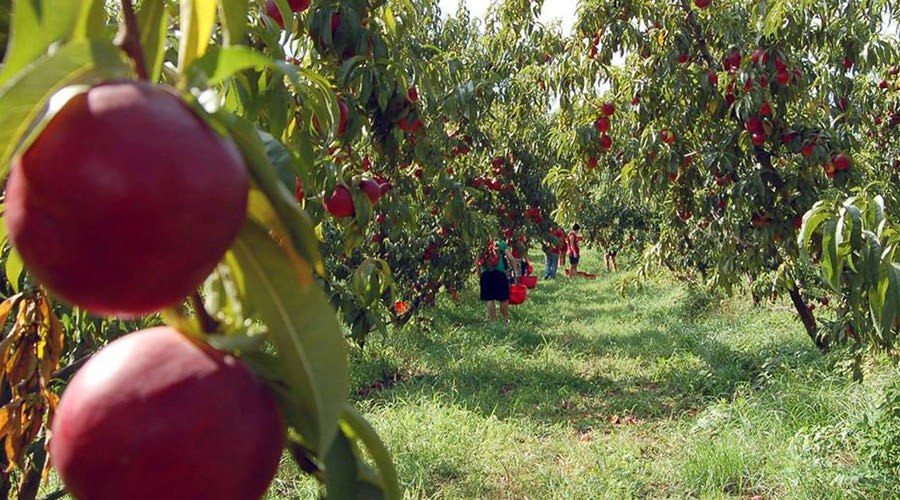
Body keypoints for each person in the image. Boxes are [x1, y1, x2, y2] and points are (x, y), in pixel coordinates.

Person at [478, 238, 514, 323]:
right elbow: (511, 258)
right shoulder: (501, 243)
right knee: (504, 298)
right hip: (500, 273)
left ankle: (493, 321)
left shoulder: (481, 243)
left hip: (486, 274)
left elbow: (477, 262)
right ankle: (506, 319)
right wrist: (514, 271)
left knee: (489, 298)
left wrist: (480, 275)